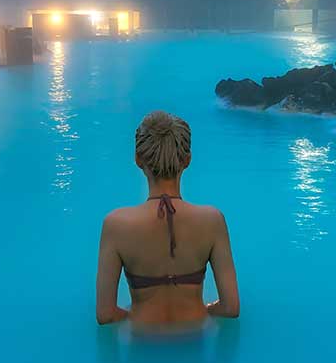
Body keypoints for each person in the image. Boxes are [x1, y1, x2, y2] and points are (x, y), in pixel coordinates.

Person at [95, 111, 240, 327]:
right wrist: (202, 312)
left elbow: (106, 315)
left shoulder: (116, 224)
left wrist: (137, 320)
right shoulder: (212, 220)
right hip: (196, 335)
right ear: (187, 160)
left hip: (141, 338)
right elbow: (230, 308)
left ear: (138, 159)